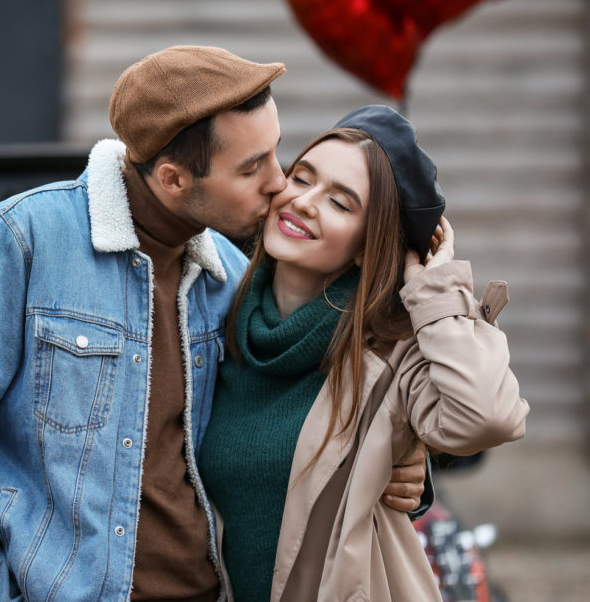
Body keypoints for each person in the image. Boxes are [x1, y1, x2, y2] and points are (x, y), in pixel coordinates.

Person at [0, 47, 427, 601]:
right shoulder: (19, 243)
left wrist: (405, 458)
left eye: (275, 153)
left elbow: (314, 410)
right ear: (172, 179)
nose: (279, 182)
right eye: (250, 167)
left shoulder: (234, 277)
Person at [198, 105, 530, 601]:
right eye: (302, 177)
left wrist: (437, 291)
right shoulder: (214, 315)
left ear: (365, 244)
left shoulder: (391, 349)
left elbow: (484, 418)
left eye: (340, 203)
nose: (305, 202)